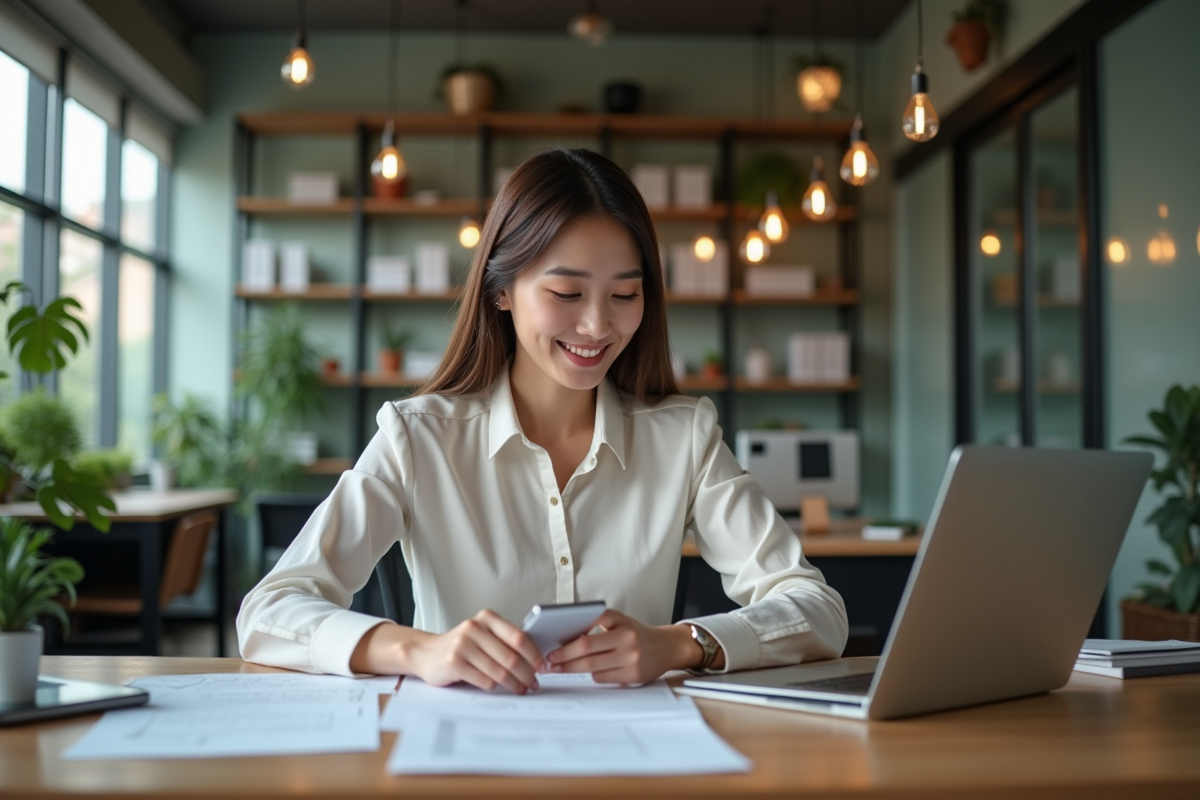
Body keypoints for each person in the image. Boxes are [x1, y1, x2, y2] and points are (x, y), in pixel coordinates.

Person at [237, 148, 848, 693]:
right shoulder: (418, 438)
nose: (597, 326)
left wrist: (679, 644)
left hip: (641, 760)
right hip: (461, 759)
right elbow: (269, 610)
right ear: (502, 291)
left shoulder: (683, 437)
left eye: (625, 294)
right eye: (566, 293)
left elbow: (815, 608)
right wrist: (421, 650)